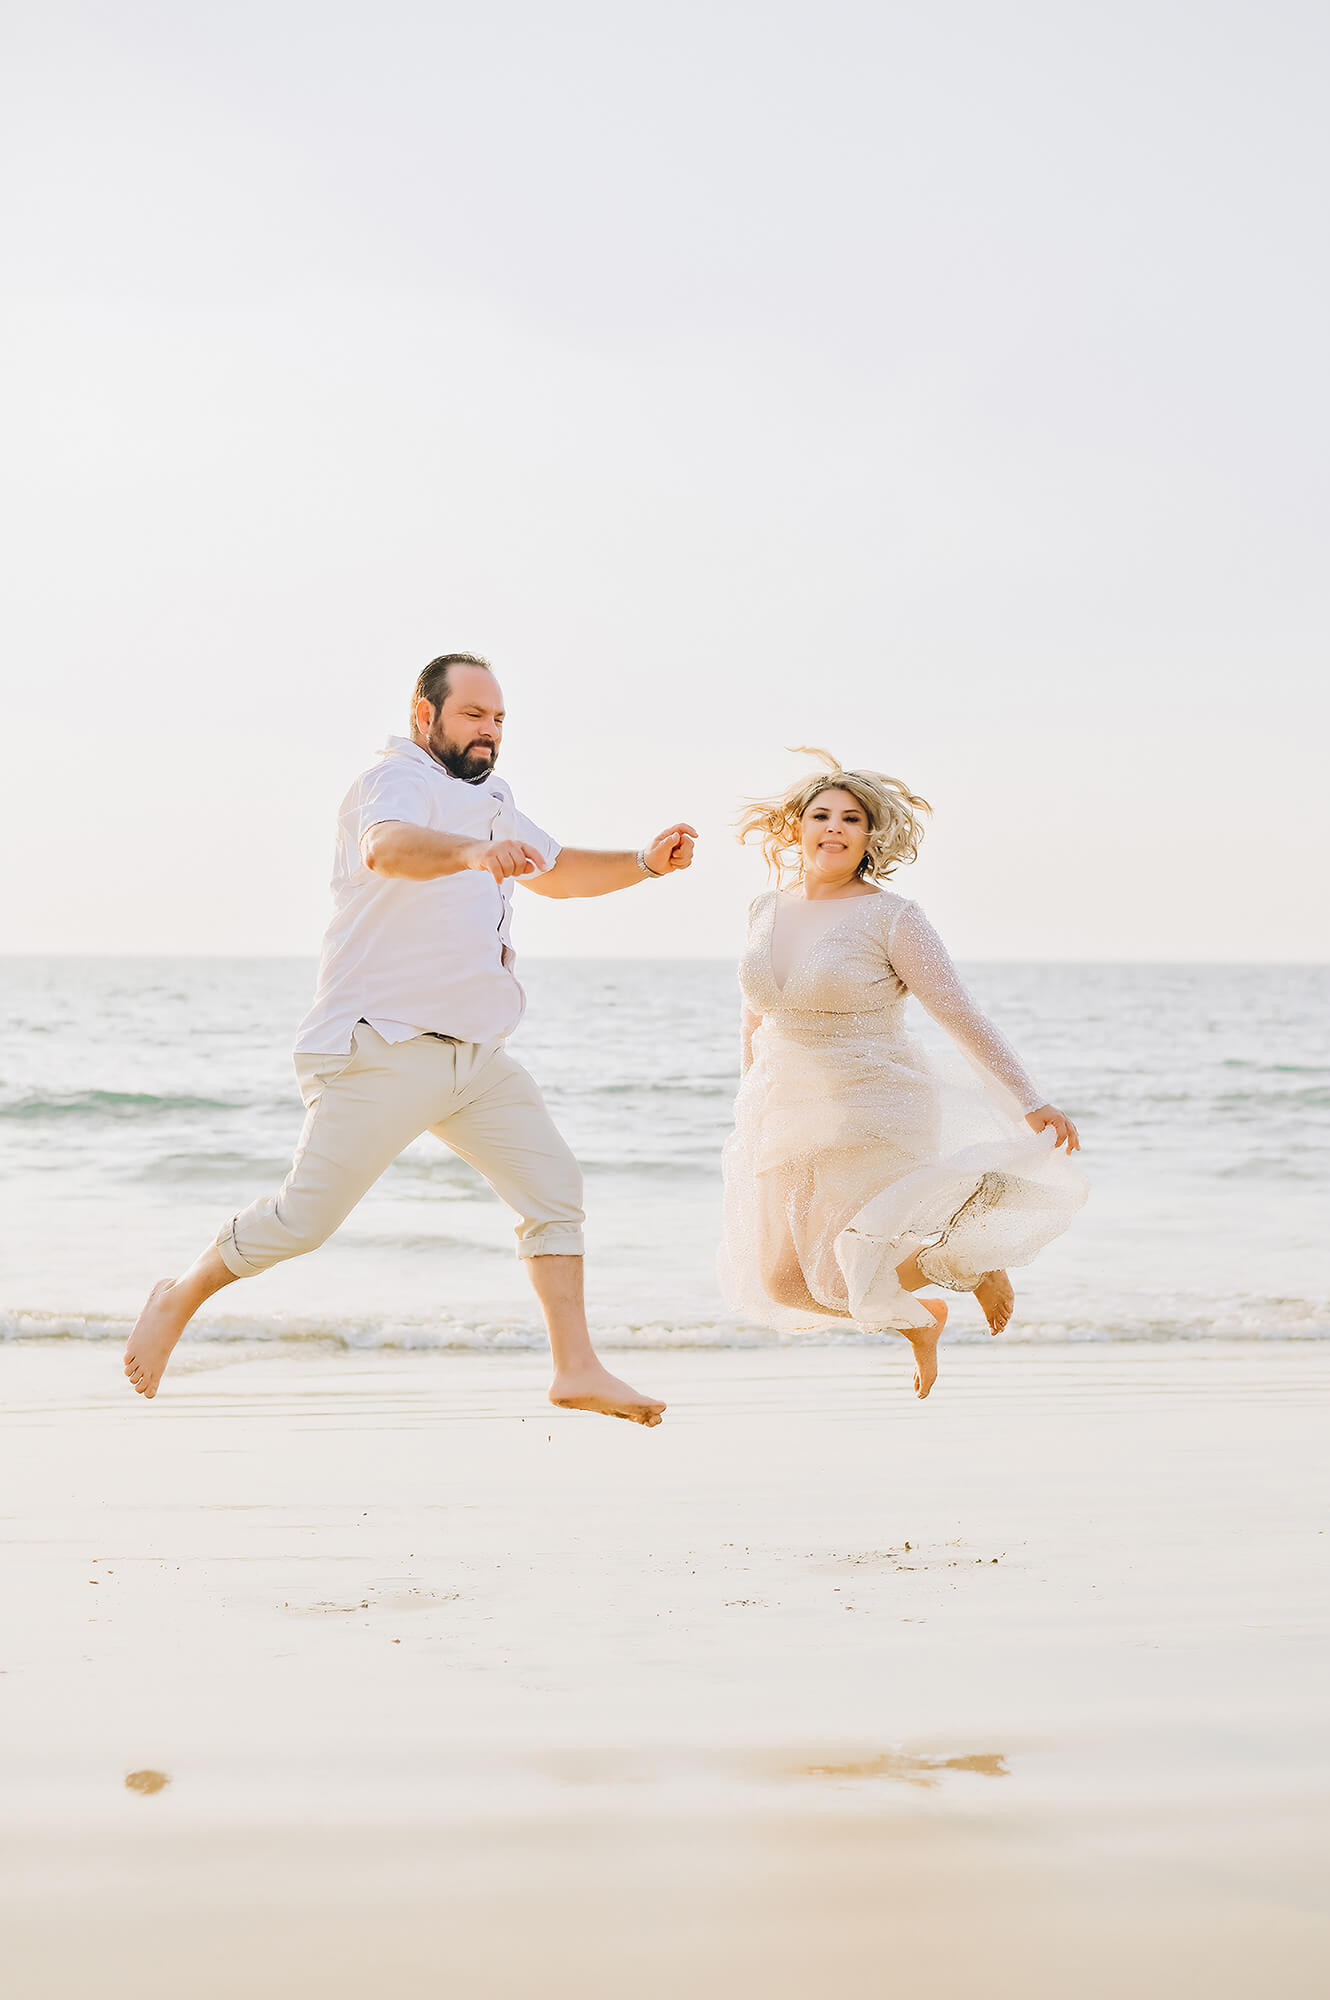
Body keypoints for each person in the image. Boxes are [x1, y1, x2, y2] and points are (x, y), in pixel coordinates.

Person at [124, 652, 695, 1424]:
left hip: (474, 1058)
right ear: (425, 717)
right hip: (380, 1046)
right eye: (473, 714)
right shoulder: (394, 780)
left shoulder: (493, 799)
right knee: (303, 1223)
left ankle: (576, 1369)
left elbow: (553, 871)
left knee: (556, 1192)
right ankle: (180, 1293)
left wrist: (643, 865)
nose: (489, 730)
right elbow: (385, 848)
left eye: (498, 718)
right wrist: (469, 855)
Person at [719, 751, 1085, 1399]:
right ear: (796, 827)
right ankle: (922, 1315)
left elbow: (958, 1014)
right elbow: (756, 1017)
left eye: (850, 819)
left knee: (852, 1261)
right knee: (783, 1283)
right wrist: (751, 1106)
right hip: (786, 1111)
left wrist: (1030, 1101)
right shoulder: (763, 909)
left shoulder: (892, 917)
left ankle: (969, 1268)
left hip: (874, 1102)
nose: (833, 827)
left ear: (868, 837)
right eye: (821, 815)